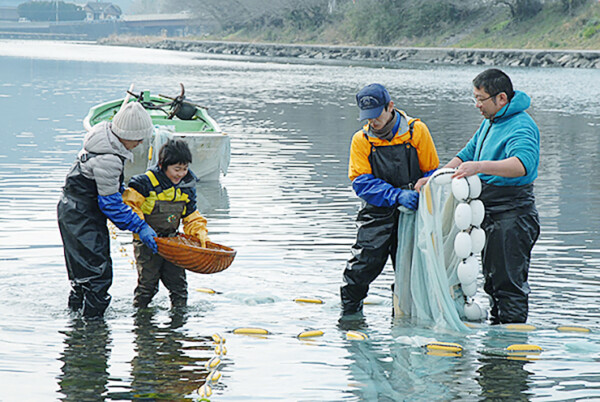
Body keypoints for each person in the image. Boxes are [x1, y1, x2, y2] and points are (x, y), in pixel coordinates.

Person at [418, 68, 540, 324]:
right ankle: (495, 349)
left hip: (513, 215)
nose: (477, 105)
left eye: (480, 99)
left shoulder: (521, 125)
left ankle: (510, 350)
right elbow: (467, 153)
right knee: (492, 282)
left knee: (509, 285)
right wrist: (435, 177)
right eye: (474, 98)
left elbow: (522, 164)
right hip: (488, 211)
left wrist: (480, 166)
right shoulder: (490, 122)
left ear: (501, 98)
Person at [340, 83, 440, 316]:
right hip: (376, 212)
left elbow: (431, 172)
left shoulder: (417, 132)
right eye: (367, 117)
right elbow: (361, 182)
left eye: (377, 115)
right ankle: (350, 314)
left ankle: (403, 315)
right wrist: (396, 195)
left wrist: (418, 191)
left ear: (390, 107)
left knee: (410, 268)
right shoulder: (362, 139)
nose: (372, 122)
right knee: (362, 265)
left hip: (414, 211)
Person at [57, 101, 158, 319]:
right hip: (82, 216)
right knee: (98, 276)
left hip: (71, 210)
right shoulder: (109, 158)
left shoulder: (102, 135)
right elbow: (110, 205)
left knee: (81, 276)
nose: (140, 144)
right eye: (138, 139)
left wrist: (121, 190)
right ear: (127, 135)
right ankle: (94, 331)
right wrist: (140, 225)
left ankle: (76, 324)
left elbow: (104, 187)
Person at [123, 139, 210, 309]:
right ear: (163, 165)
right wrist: (141, 229)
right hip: (147, 242)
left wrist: (200, 234)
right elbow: (130, 208)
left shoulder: (187, 186)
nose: (180, 174)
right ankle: (141, 323)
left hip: (173, 244)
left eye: (184, 169)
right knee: (147, 286)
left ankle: (178, 325)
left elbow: (191, 215)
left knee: (179, 287)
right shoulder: (144, 183)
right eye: (176, 169)